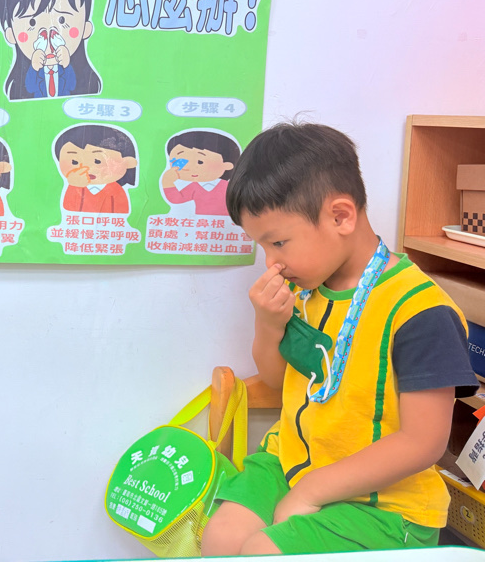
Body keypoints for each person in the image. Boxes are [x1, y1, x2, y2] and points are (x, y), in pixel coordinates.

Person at [202, 122, 477, 556]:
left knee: (261, 550)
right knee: (220, 540)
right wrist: (268, 324)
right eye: (263, 247)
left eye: (278, 242)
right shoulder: (306, 288)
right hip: (291, 460)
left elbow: (424, 443)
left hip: (386, 504)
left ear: (340, 216)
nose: (271, 263)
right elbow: (279, 381)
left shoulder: (421, 312)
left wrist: (312, 490)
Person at [54, 124, 137, 213]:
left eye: (97, 161)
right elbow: (67, 210)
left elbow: (121, 213)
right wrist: (74, 186)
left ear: (127, 162)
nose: (86, 168)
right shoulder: (74, 188)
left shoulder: (115, 191)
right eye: (74, 162)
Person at [160, 129, 240, 216]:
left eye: (200, 162)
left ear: (227, 165)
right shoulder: (194, 187)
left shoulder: (229, 187)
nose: (187, 168)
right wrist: (167, 182)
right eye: (181, 162)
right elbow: (177, 199)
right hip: (200, 221)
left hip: (227, 221)